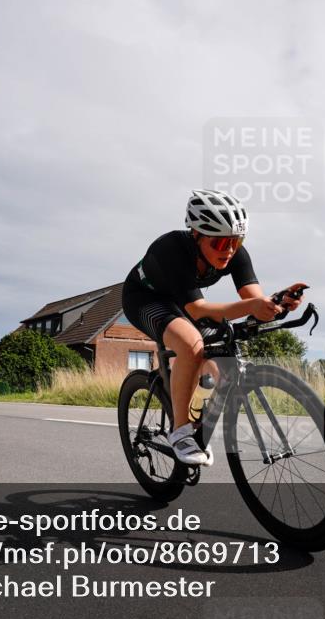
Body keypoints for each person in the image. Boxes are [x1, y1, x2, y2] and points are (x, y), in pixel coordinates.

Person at [122, 189, 305, 465]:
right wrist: (252, 307)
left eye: (236, 241)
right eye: (220, 244)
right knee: (191, 344)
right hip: (145, 299)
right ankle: (181, 432)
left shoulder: (235, 253)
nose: (229, 251)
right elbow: (197, 309)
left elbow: (253, 300)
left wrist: (276, 304)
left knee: (219, 360)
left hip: (184, 300)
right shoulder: (171, 248)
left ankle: (188, 399)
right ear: (196, 235)